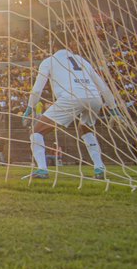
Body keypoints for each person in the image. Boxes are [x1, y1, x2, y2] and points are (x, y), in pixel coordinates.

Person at [23, 45, 118, 180]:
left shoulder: (49, 60)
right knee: (85, 129)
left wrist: (30, 107)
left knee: (36, 131)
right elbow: (102, 86)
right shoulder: (82, 60)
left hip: (71, 97)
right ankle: (99, 167)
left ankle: (42, 170)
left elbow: (37, 89)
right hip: (95, 98)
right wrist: (113, 107)